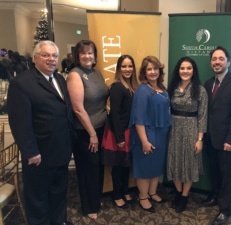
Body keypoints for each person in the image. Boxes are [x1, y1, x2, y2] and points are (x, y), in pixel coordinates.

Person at [7, 40, 75, 225]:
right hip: (39, 154)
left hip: (60, 150)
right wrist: (30, 151)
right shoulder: (21, 83)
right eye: (46, 55)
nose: (51, 59)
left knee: (59, 192)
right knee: (38, 198)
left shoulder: (59, 79)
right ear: (36, 58)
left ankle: (59, 220)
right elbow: (20, 122)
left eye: (54, 55)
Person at [203, 46, 231, 225]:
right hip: (211, 138)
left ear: (228, 62)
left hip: (228, 140)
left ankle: (225, 208)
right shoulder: (207, 84)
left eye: (221, 59)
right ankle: (214, 196)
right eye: (214, 59)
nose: (217, 62)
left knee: (228, 175)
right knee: (214, 171)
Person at [66, 40, 109, 220]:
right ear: (77, 56)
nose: (87, 56)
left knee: (98, 167)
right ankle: (88, 206)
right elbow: (77, 109)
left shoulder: (96, 73)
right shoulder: (75, 75)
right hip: (85, 132)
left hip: (101, 128)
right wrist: (92, 134)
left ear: (95, 55)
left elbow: (102, 98)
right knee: (87, 170)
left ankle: (95, 198)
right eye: (83, 53)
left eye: (90, 52)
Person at [129, 55, 172, 213]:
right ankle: (143, 197)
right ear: (144, 72)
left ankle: (152, 192)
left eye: (156, 69)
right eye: (149, 69)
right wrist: (144, 141)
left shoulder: (162, 88)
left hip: (161, 134)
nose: (153, 72)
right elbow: (138, 119)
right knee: (145, 167)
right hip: (147, 134)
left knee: (157, 166)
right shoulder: (142, 90)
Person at [167, 56, 208, 213]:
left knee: (189, 164)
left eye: (188, 68)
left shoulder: (200, 90)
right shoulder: (171, 88)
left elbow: (203, 116)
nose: (185, 71)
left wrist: (200, 139)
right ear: (178, 70)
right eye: (182, 68)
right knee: (175, 161)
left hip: (192, 129)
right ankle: (177, 192)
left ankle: (184, 197)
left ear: (193, 71)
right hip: (174, 129)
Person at [102, 55, 139, 208]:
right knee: (118, 165)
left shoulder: (130, 86)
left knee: (126, 164)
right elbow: (115, 114)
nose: (127, 69)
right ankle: (116, 193)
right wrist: (119, 137)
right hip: (118, 132)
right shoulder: (117, 86)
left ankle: (124, 190)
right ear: (118, 69)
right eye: (124, 66)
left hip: (128, 131)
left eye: (130, 66)